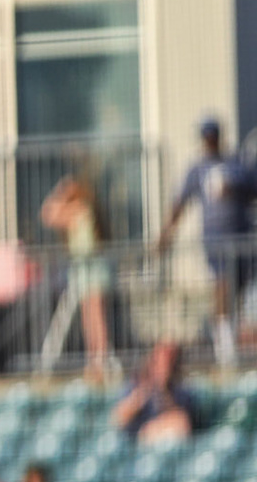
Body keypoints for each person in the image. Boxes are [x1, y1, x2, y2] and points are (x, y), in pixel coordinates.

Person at [158, 117, 257, 364]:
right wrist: (166, 235)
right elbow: (179, 203)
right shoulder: (197, 169)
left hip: (240, 240)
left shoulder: (236, 164)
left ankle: (233, 336)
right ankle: (224, 344)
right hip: (216, 241)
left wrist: (233, 190)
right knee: (222, 285)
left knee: (241, 289)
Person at [41, 173, 113, 377]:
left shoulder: (81, 209)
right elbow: (48, 215)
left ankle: (100, 360)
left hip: (92, 266)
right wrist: (62, 194)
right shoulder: (78, 209)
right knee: (88, 316)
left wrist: (60, 195)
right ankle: (95, 359)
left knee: (96, 315)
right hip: (82, 267)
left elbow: (48, 214)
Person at [113, 341, 200, 446]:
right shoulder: (136, 385)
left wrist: (162, 388)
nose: (162, 366)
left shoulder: (180, 390)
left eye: (168, 361)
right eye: (159, 360)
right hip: (138, 442)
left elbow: (183, 421)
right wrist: (144, 391)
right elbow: (119, 418)